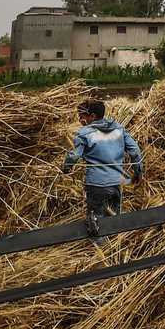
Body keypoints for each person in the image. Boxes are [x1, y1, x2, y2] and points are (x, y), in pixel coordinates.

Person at [61, 99, 143, 232]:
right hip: (116, 183)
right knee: (114, 222)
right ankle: (114, 248)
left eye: (82, 116)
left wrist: (66, 168)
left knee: (96, 224)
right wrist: (138, 172)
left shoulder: (85, 133)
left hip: (96, 186)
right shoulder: (119, 129)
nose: (80, 120)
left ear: (92, 116)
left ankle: (100, 249)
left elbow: (74, 155)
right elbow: (135, 151)